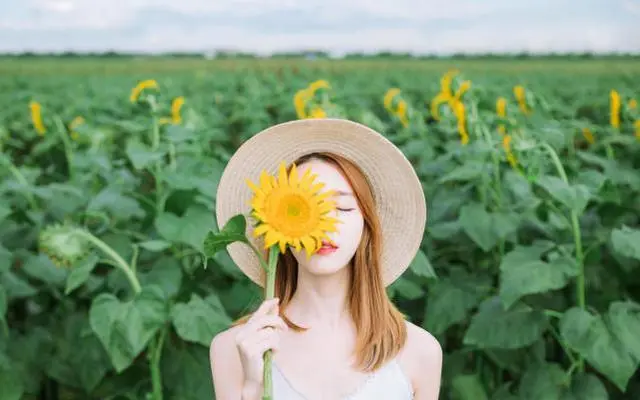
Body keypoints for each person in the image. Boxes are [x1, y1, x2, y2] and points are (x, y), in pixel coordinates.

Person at [209, 118, 442, 399]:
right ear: (275, 227)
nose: (325, 226)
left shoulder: (418, 351)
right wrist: (253, 387)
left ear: (367, 225)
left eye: (342, 207)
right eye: (303, 209)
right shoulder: (234, 350)